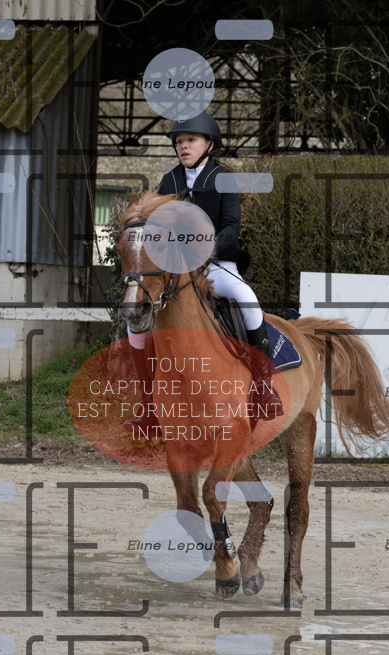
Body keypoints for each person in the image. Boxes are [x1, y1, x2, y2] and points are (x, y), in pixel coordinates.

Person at [126, 111, 282, 436]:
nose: (183, 146)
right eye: (179, 141)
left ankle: (263, 386)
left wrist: (203, 250)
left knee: (246, 299)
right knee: (134, 327)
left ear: (209, 144)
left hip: (217, 264)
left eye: (190, 140)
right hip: (176, 269)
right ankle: (149, 405)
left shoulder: (223, 179)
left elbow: (232, 228)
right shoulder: (169, 182)